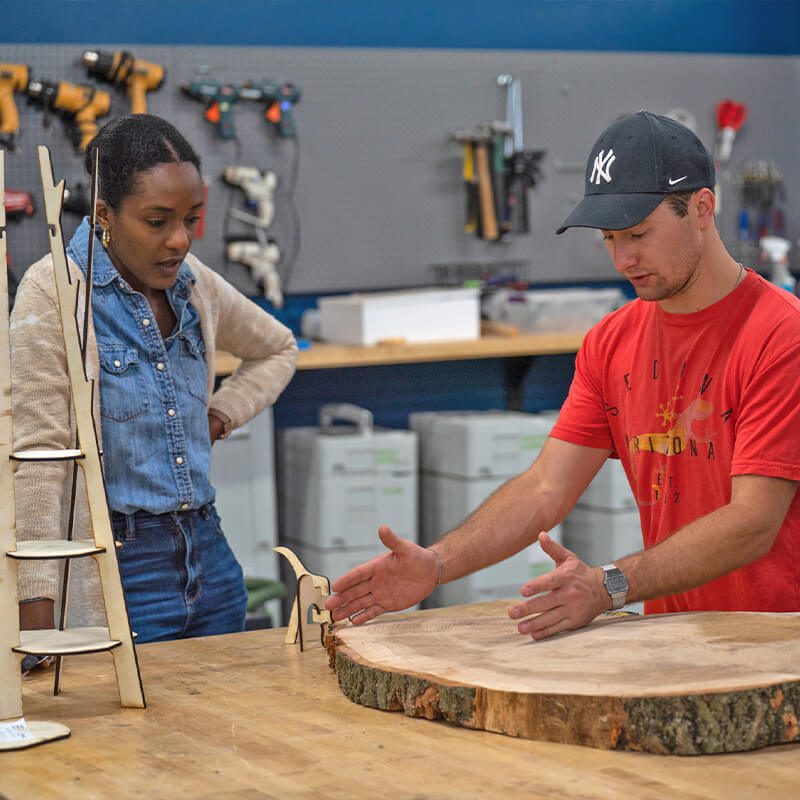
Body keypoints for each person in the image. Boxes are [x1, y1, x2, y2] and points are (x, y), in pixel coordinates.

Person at [325, 110, 800, 639]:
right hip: (679, 640)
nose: (623, 258)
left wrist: (608, 586)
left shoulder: (782, 337)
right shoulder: (611, 342)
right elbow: (545, 487)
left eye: (639, 234)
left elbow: (753, 522)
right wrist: (436, 565)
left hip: (777, 644)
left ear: (702, 208)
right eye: (609, 238)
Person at [12, 114, 298, 643]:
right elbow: (40, 461)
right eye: (158, 220)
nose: (180, 240)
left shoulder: (195, 287)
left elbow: (279, 349)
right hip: (119, 572)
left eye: (191, 218)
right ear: (104, 214)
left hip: (209, 558)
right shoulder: (54, 292)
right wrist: (35, 613)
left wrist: (220, 414)